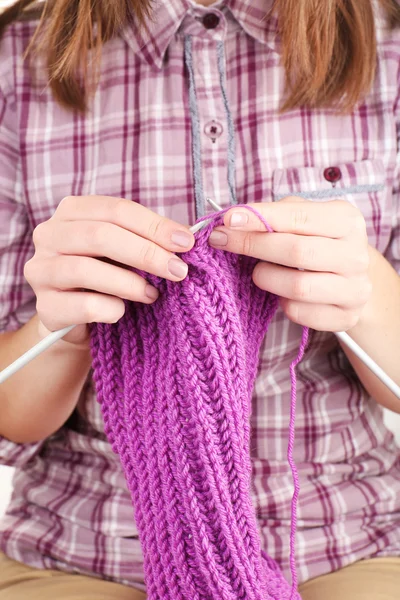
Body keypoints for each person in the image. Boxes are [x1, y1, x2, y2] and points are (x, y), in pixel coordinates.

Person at [0, 0, 399, 598]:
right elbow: (12, 416)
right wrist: (62, 327)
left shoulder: (387, 45)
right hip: (83, 546)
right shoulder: (15, 64)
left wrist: (361, 288)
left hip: (348, 538)